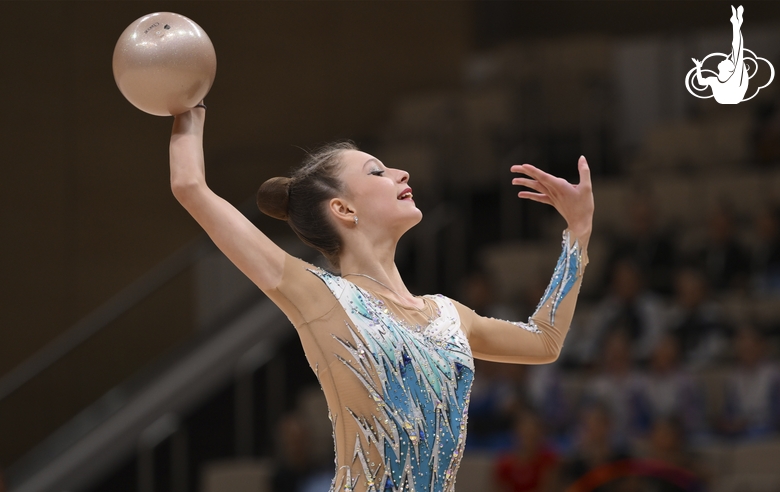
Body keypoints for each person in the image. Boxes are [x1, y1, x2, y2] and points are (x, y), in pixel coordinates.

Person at [169, 106, 593, 492]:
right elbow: (190, 186)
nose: (401, 173)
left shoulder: (448, 315)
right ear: (344, 209)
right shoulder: (321, 296)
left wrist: (578, 232)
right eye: (377, 172)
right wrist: (190, 103)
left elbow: (544, 340)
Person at [692, 5, 749, 104]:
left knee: (737, 50)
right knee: (736, 51)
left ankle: (736, 23)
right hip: (729, 98)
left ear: (729, 69)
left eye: (728, 61)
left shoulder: (734, 78)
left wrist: (736, 26)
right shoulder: (715, 80)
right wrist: (698, 67)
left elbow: (737, 49)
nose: (725, 59)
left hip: (733, 97)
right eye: (728, 60)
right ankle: (736, 23)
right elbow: (701, 82)